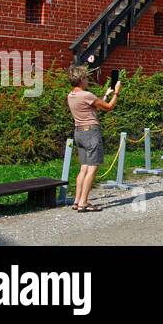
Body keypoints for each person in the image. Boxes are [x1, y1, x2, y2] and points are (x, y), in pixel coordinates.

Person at [67, 65, 120, 213]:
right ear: (81, 79)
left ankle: (77, 201)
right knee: (92, 168)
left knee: (83, 167)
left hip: (79, 133)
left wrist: (106, 94)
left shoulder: (71, 96)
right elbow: (108, 107)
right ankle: (84, 203)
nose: (87, 80)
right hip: (91, 133)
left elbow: (93, 107)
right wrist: (117, 92)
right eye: (86, 77)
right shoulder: (86, 95)